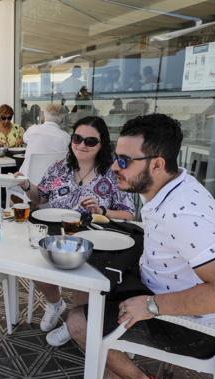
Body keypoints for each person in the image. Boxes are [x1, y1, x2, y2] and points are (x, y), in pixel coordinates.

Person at [59, 114, 215, 379]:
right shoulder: (172, 185)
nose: (114, 166)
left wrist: (151, 305)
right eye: (116, 156)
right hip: (161, 289)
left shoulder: (183, 215)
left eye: (124, 161)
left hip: (191, 327)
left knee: (77, 321)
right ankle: (111, 367)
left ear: (157, 164)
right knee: (87, 279)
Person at [18, 116, 134, 343]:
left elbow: (128, 213)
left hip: (94, 238)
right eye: (77, 138)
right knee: (32, 265)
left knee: (84, 279)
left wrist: (102, 210)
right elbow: (40, 196)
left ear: (102, 145)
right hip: (56, 235)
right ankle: (55, 304)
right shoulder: (59, 167)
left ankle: (73, 324)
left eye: (90, 141)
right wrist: (26, 184)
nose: (82, 145)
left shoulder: (112, 173)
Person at [19, 104, 69, 176]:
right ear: (61, 119)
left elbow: (24, 140)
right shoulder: (66, 137)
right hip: (53, 181)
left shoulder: (32, 130)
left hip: (27, 179)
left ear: (44, 116)